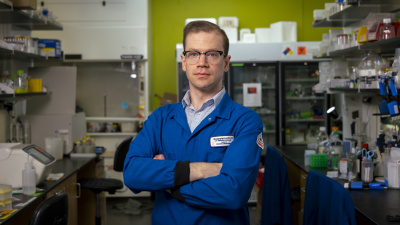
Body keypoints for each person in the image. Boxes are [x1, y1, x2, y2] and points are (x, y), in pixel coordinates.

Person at [123, 20, 264, 225]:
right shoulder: (161, 118)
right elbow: (132, 173)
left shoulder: (245, 121)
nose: (202, 62)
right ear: (184, 61)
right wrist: (201, 170)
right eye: (193, 54)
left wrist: (168, 183)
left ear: (226, 62)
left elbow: (234, 193)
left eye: (212, 54)